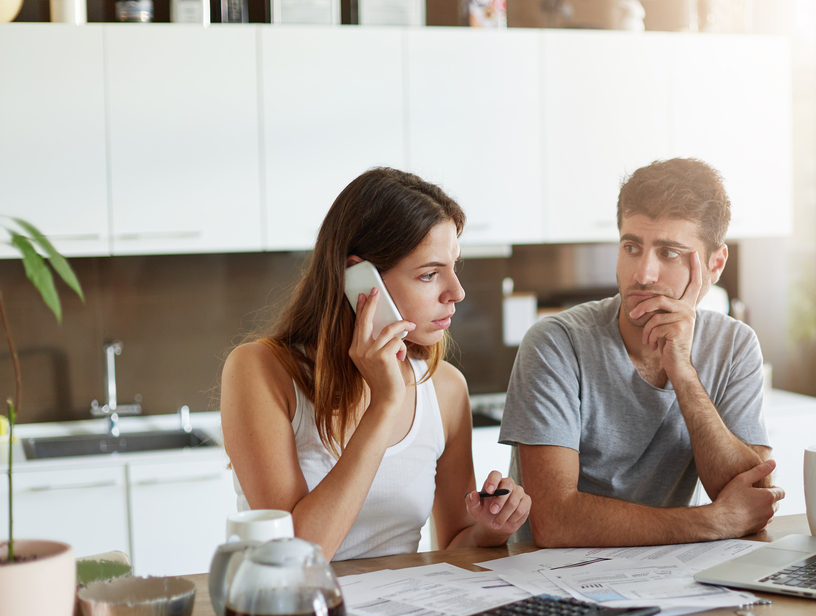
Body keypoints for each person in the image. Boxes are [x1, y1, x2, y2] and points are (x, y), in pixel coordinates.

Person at [221, 167, 530, 561]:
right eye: (429, 274)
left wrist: (488, 529)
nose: (457, 291)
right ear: (360, 280)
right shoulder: (259, 371)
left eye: (454, 266)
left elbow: (455, 544)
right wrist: (384, 403)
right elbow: (297, 557)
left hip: (402, 615)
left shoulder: (446, 388)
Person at [500, 158, 783, 547]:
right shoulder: (556, 343)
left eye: (669, 253)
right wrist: (714, 521)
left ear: (715, 264)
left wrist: (682, 371)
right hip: (556, 584)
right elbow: (555, 522)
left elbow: (755, 495)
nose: (643, 273)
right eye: (632, 247)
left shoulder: (734, 346)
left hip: (670, 578)